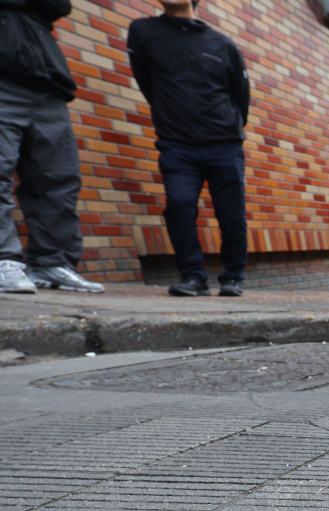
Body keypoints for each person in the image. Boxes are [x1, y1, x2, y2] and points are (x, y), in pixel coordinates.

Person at [128, 0, 250, 297]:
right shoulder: (143, 31)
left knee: (232, 214)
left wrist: (226, 127)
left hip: (224, 144)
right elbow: (147, 82)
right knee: (180, 205)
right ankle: (193, 275)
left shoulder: (222, 43)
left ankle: (233, 276)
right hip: (177, 144)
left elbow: (240, 95)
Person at [0, 0, 105, 293]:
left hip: (47, 80)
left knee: (59, 178)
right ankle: (3, 261)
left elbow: (59, 5)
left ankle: (52, 262)